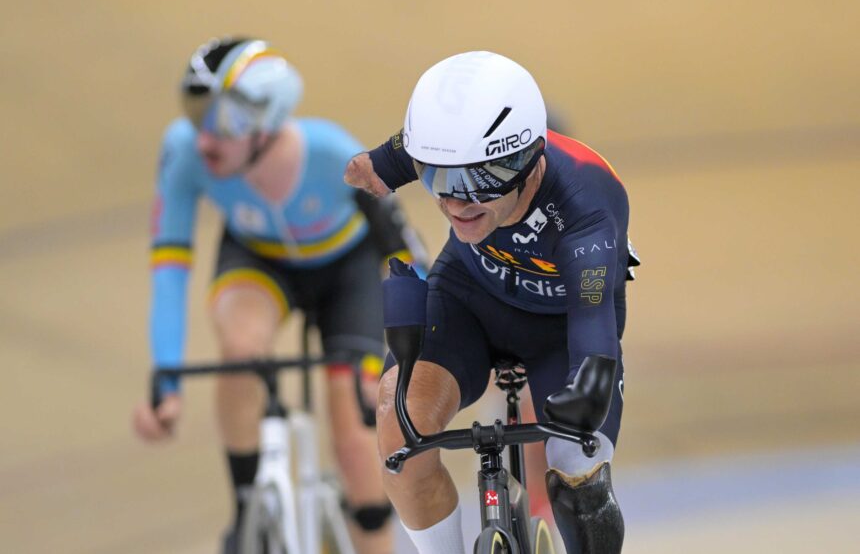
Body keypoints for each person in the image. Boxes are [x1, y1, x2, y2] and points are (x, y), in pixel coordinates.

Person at [131, 36, 425, 554]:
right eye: (194, 115)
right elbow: (170, 267)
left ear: (263, 121)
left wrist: (419, 349)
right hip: (258, 260)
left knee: (356, 426)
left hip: (346, 272)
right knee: (241, 350)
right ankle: (248, 505)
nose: (203, 139)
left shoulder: (332, 152)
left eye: (219, 121)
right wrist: (167, 378)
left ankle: (373, 532)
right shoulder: (183, 149)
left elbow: (405, 255)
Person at [345, 51, 639, 554]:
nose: (456, 203)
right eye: (438, 177)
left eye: (478, 179)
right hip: (467, 302)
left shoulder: (585, 204)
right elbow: (398, 156)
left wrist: (587, 390)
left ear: (527, 158)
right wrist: (371, 168)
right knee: (401, 434)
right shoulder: (436, 149)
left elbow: (592, 325)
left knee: (575, 467)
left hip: (564, 330)